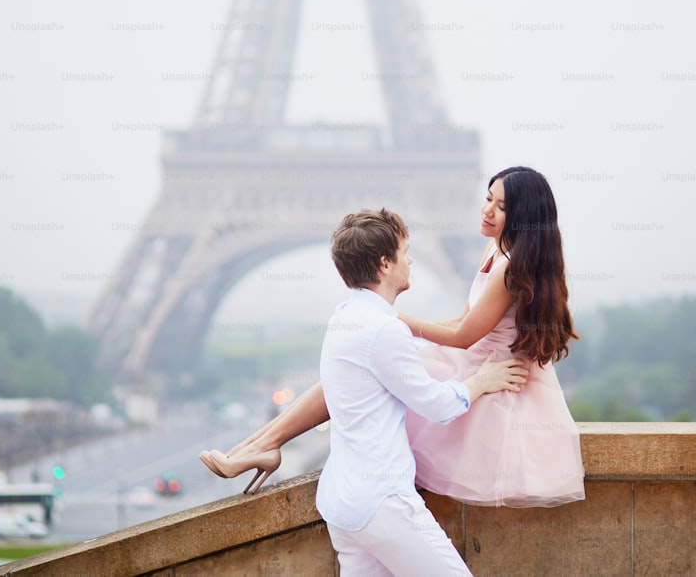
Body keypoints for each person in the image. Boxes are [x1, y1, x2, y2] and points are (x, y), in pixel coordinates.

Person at [201, 166, 585, 508]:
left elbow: (465, 336)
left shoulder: (510, 267)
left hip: (489, 375)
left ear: (522, 216)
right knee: (359, 367)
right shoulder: (496, 250)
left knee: (361, 367)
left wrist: (392, 318)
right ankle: (258, 445)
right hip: (472, 361)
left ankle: (262, 446)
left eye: (500, 206)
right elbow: (465, 321)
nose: (487, 209)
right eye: (488, 198)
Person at [229, 208, 528, 575]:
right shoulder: (384, 330)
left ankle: (260, 445)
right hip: (382, 502)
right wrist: (481, 382)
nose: (411, 259)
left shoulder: (345, 317)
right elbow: (436, 405)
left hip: (342, 503)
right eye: (405, 252)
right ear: (385, 264)